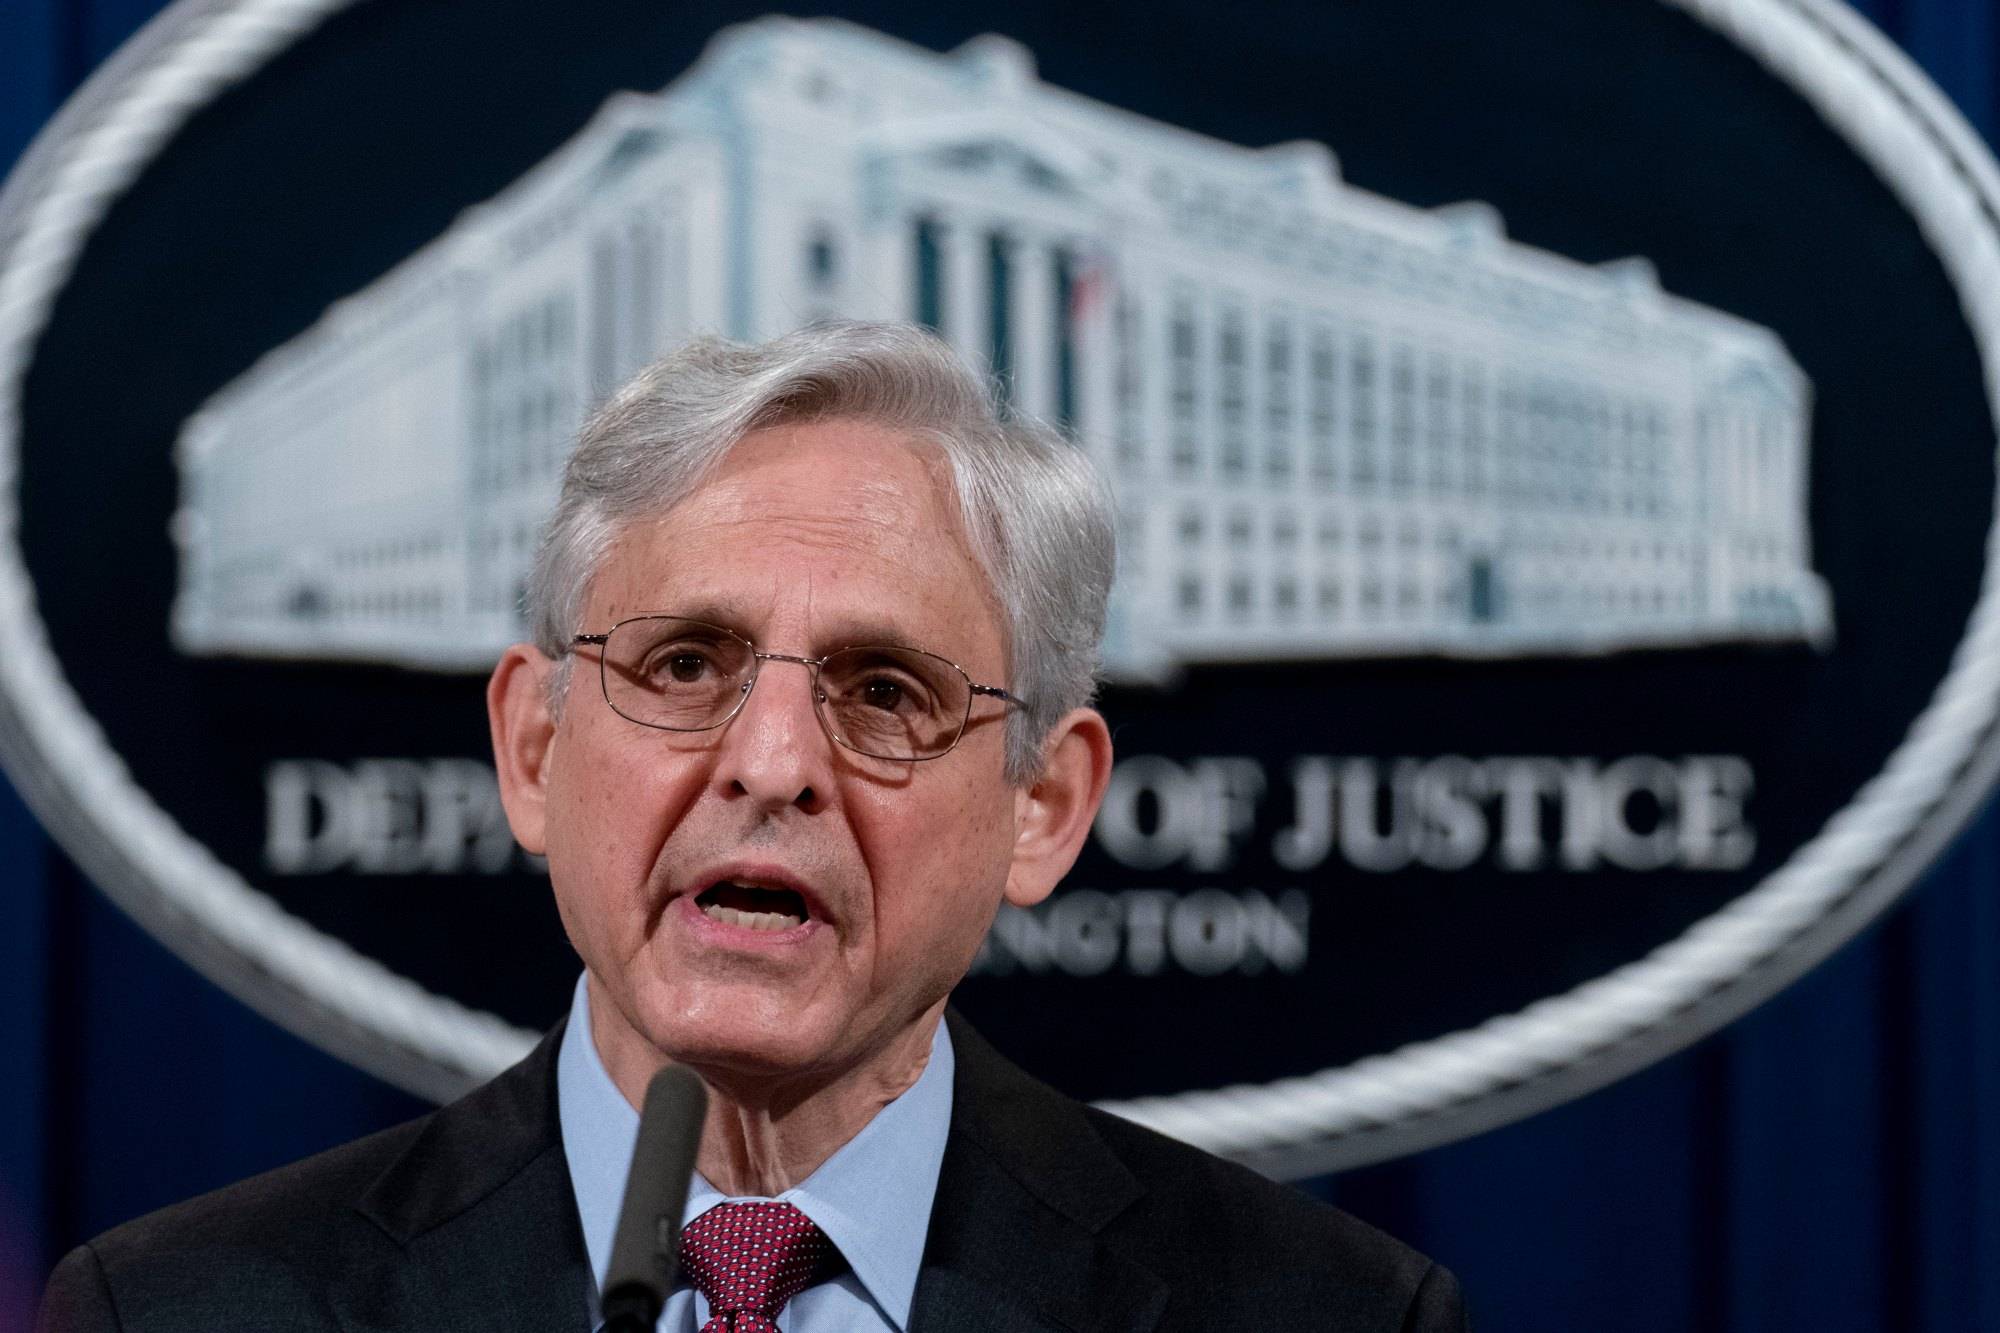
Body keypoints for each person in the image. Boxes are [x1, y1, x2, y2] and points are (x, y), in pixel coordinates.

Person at [41, 321, 1468, 1331]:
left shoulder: (1325, 1312)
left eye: (887, 690)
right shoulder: (178, 1310)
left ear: (1043, 804)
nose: (773, 763)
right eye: (681, 667)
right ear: (535, 748)